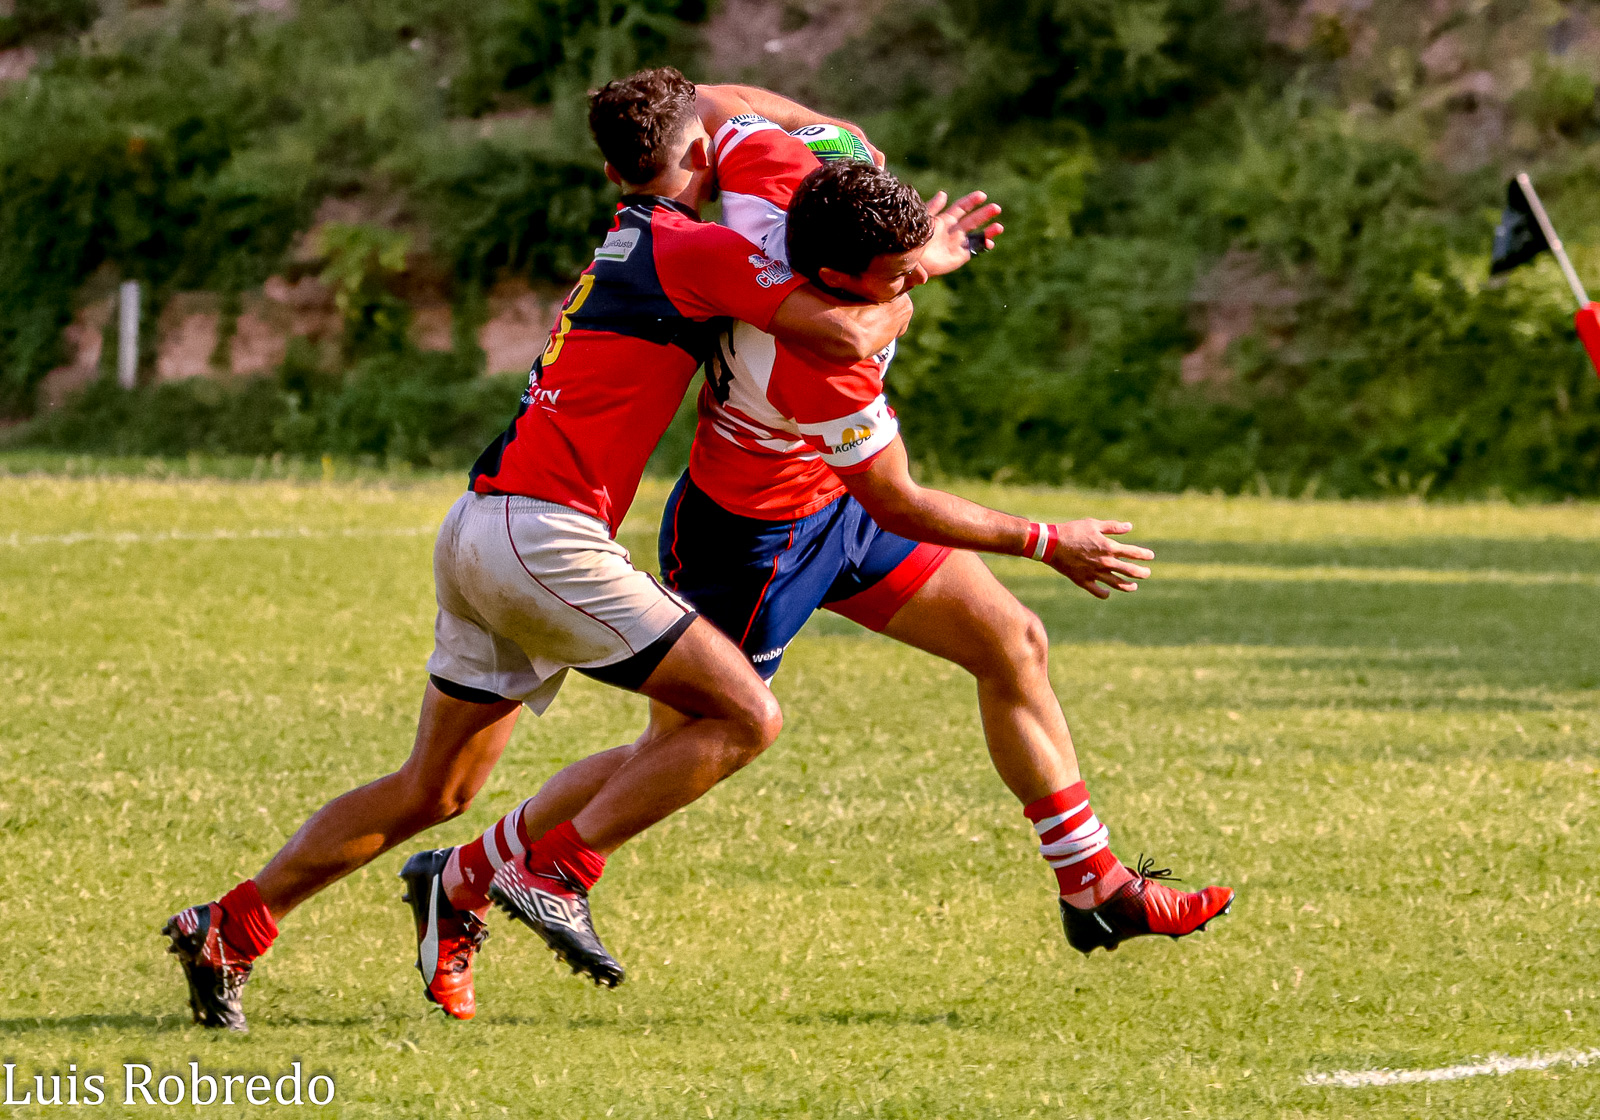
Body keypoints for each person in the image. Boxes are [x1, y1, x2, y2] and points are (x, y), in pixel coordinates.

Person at [402, 90, 1232, 1017]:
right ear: (836, 278)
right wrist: (1049, 539)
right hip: (750, 538)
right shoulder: (816, 358)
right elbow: (901, 496)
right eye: (896, 276)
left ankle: (1096, 890)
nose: (910, 280)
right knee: (682, 744)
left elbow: (716, 100)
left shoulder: (783, 171)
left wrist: (654, 108)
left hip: (835, 507)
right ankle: (470, 876)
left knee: (1011, 642)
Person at [161, 67, 912, 1031]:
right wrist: (925, 257)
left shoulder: (628, 238)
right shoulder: (698, 248)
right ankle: (554, 871)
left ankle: (233, 924)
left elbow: (737, 119)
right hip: (544, 537)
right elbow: (843, 336)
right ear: (694, 155)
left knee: (434, 788)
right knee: (744, 716)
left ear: (613, 169)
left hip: (477, 524)